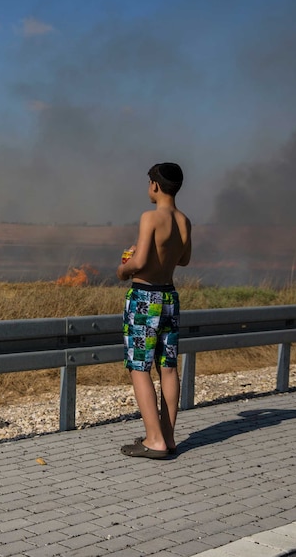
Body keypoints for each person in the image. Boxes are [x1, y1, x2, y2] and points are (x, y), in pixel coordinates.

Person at [116, 162, 192, 459]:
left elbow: (140, 262)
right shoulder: (184, 220)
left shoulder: (150, 217)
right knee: (168, 367)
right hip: (169, 296)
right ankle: (169, 437)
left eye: (149, 182)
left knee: (139, 367)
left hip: (145, 297)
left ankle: (154, 440)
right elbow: (184, 260)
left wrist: (124, 268)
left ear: (155, 186)